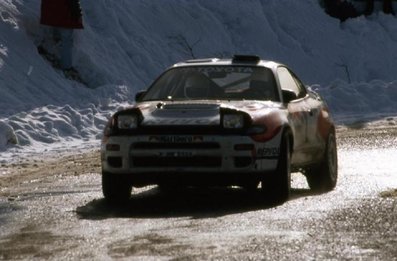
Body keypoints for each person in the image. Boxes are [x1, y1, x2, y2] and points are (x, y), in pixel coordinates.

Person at [39, 0, 83, 73]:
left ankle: (52, 50)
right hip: (65, 14)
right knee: (66, 40)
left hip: (51, 10)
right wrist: (78, 14)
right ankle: (67, 67)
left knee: (57, 32)